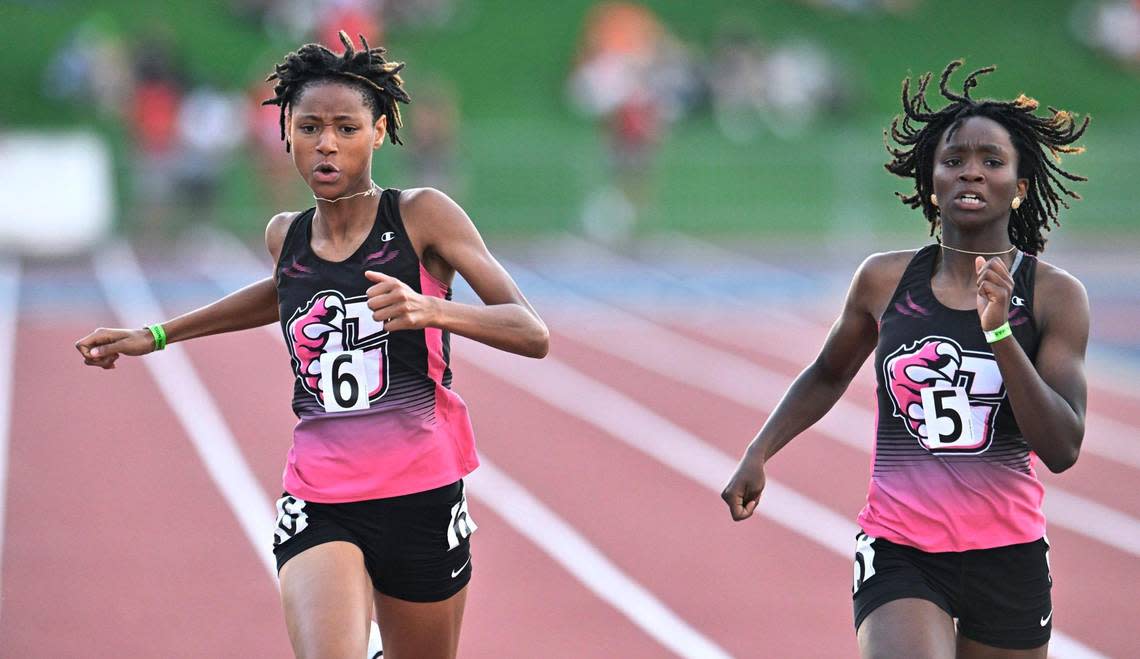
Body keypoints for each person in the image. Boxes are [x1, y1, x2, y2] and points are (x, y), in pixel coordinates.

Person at [76, 32, 549, 659]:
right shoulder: (286, 235)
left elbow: (531, 331)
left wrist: (429, 307)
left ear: (379, 132)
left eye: (347, 128)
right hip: (321, 494)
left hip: (421, 491)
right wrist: (157, 334)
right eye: (310, 127)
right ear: (287, 135)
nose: (327, 143)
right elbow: (279, 290)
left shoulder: (423, 216)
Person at [721, 60, 1090, 659]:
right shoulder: (884, 279)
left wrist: (998, 333)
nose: (971, 171)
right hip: (901, 549)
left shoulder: (1055, 296)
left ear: (1020, 187)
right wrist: (758, 451)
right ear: (931, 179)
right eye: (954, 160)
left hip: (1008, 553)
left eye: (992, 162)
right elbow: (827, 372)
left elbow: (1063, 448)